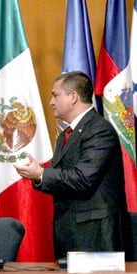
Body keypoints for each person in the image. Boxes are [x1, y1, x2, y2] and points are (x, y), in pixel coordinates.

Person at [14, 71, 128, 260]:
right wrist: (38, 176)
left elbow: (83, 178)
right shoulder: (66, 134)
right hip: (70, 232)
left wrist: (41, 174)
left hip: (95, 237)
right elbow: (64, 176)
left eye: (55, 95)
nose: (51, 102)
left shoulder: (99, 130)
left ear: (73, 97)